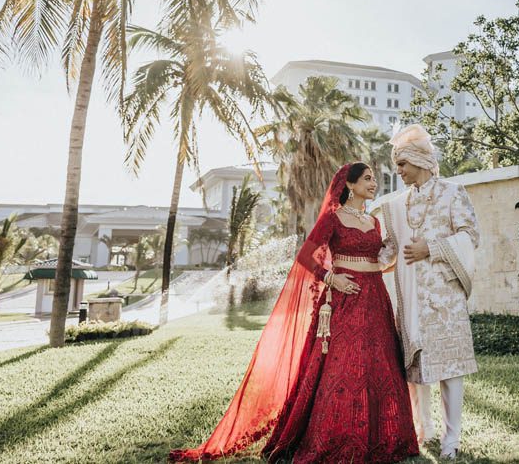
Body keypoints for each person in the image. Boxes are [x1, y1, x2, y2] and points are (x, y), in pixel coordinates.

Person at [170, 163, 418, 464]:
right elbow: (305, 255)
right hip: (344, 301)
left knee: (380, 366)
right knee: (344, 369)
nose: (373, 183)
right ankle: (338, 436)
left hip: (376, 298)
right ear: (349, 185)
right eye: (367, 179)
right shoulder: (333, 218)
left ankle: (384, 439)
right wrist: (331, 278)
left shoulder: (374, 222)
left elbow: (376, 261)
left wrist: (395, 257)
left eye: (374, 179)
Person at [378, 125, 479, 460]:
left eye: (402, 165)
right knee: (415, 369)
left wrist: (431, 249)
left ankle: (452, 439)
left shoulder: (452, 193)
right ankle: (425, 430)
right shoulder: (394, 207)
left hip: (444, 299)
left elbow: (470, 235)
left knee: (450, 371)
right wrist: (351, 254)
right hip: (410, 300)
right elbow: (387, 252)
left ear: (418, 160)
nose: (399, 171)